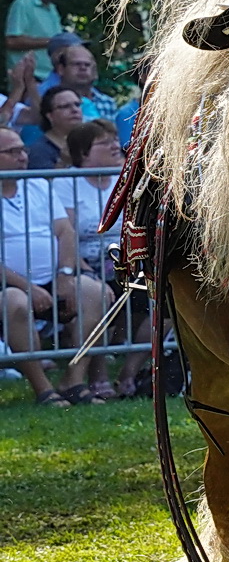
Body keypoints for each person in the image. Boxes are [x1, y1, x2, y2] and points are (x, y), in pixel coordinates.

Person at [0, 126, 110, 405]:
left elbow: (66, 232)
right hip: (9, 285)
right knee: (14, 302)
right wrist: (29, 288)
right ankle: (43, 389)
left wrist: (65, 275)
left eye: (22, 149)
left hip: (52, 278)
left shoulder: (38, 184)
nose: (23, 156)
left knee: (94, 292)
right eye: (12, 151)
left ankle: (74, 381)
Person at [53, 121, 139, 399]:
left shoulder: (124, 176)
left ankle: (130, 374)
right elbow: (68, 233)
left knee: (164, 298)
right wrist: (84, 268)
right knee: (97, 295)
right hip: (84, 264)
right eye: (105, 142)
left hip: (125, 261)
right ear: (83, 153)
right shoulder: (68, 182)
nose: (116, 145)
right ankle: (97, 375)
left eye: (115, 139)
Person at [4, 0, 64, 81]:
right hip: (28, 79)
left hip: (51, 77)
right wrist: (51, 42)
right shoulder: (22, 4)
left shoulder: (52, 8)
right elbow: (12, 41)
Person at [41, 40, 117, 120]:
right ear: (61, 69)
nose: (83, 68)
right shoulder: (50, 101)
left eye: (87, 65)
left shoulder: (108, 102)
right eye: (76, 64)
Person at [28, 87, 83, 169]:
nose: (75, 110)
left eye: (77, 105)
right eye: (65, 106)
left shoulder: (92, 141)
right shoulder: (39, 151)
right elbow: (44, 181)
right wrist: (63, 163)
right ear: (50, 116)